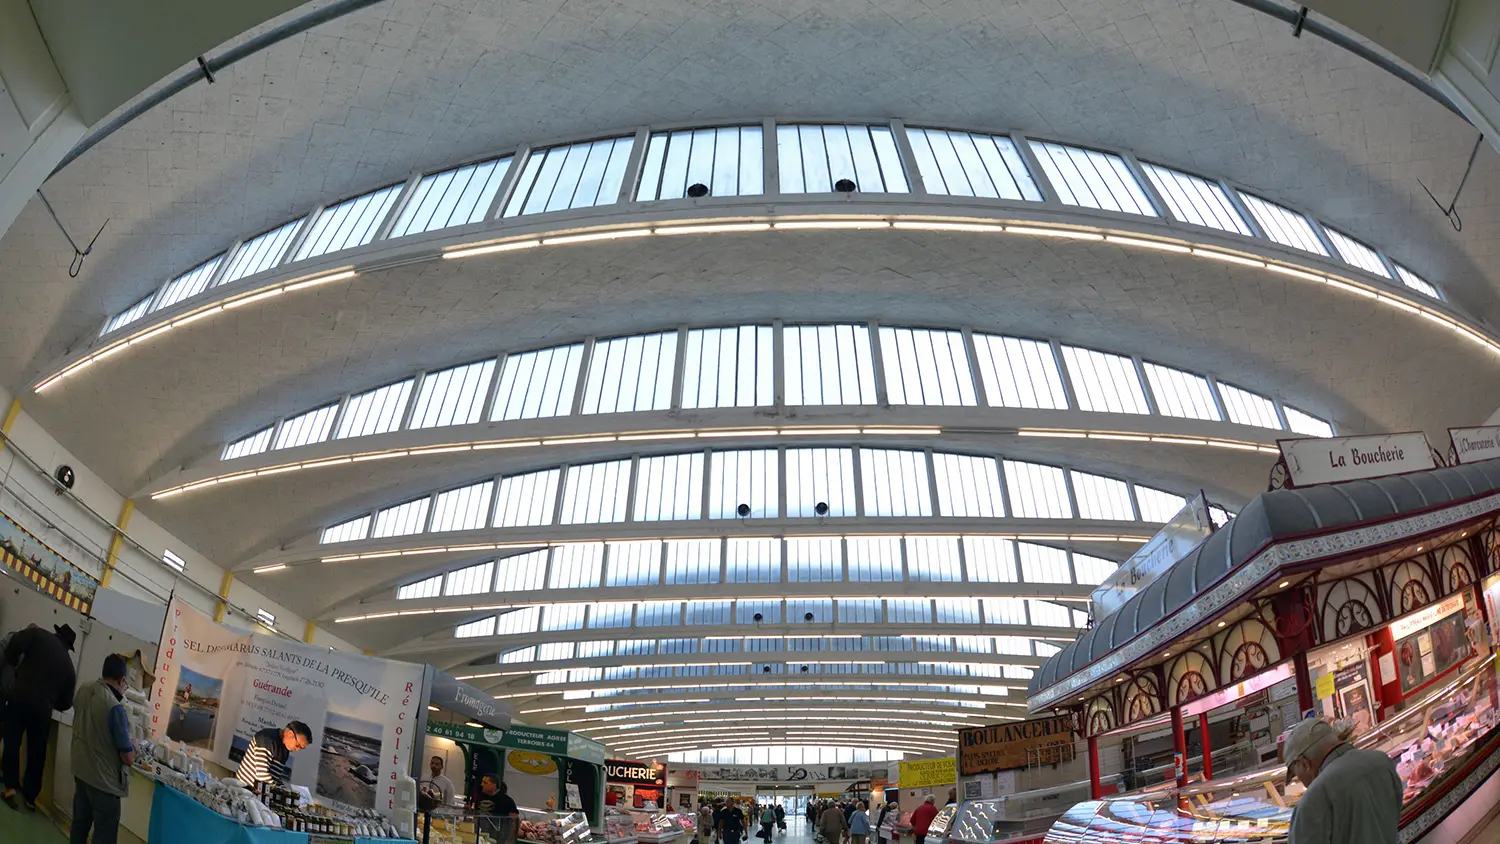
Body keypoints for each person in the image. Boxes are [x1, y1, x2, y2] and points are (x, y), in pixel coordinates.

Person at [1282, 718, 1401, 844]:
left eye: (1296, 774)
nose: (1300, 779)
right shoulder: (1382, 761)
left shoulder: (1312, 801)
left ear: (1305, 763)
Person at [2, 623, 77, 810]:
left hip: (19, 697)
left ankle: (10, 787)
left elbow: (16, 641)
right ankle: (30, 797)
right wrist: (50, 701)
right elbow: (66, 703)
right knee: (37, 754)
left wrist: (13, 663)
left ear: (57, 633)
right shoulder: (69, 667)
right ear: (69, 646)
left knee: (12, 742)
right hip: (42, 712)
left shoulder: (38, 634)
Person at [69, 654, 135, 844]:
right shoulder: (115, 708)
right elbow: (127, 757)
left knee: (79, 825)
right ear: (122, 680)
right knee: (104, 835)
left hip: (81, 771)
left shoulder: (84, 689)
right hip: (104, 783)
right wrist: (134, 746)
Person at [235, 721, 312, 787]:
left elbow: (275, 777)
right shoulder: (266, 739)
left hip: (259, 792)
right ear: (290, 734)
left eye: (301, 748)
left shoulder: (285, 749)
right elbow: (262, 775)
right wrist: (281, 791)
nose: (297, 749)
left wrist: (285, 791)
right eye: (298, 745)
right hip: (244, 788)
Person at [475, 775, 520, 842]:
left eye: (485, 783)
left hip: (498, 838)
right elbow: (475, 814)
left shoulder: (507, 801)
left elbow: (515, 821)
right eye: (482, 782)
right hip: (479, 836)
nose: (481, 784)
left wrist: (509, 840)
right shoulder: (480, 797)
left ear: (494, 786)